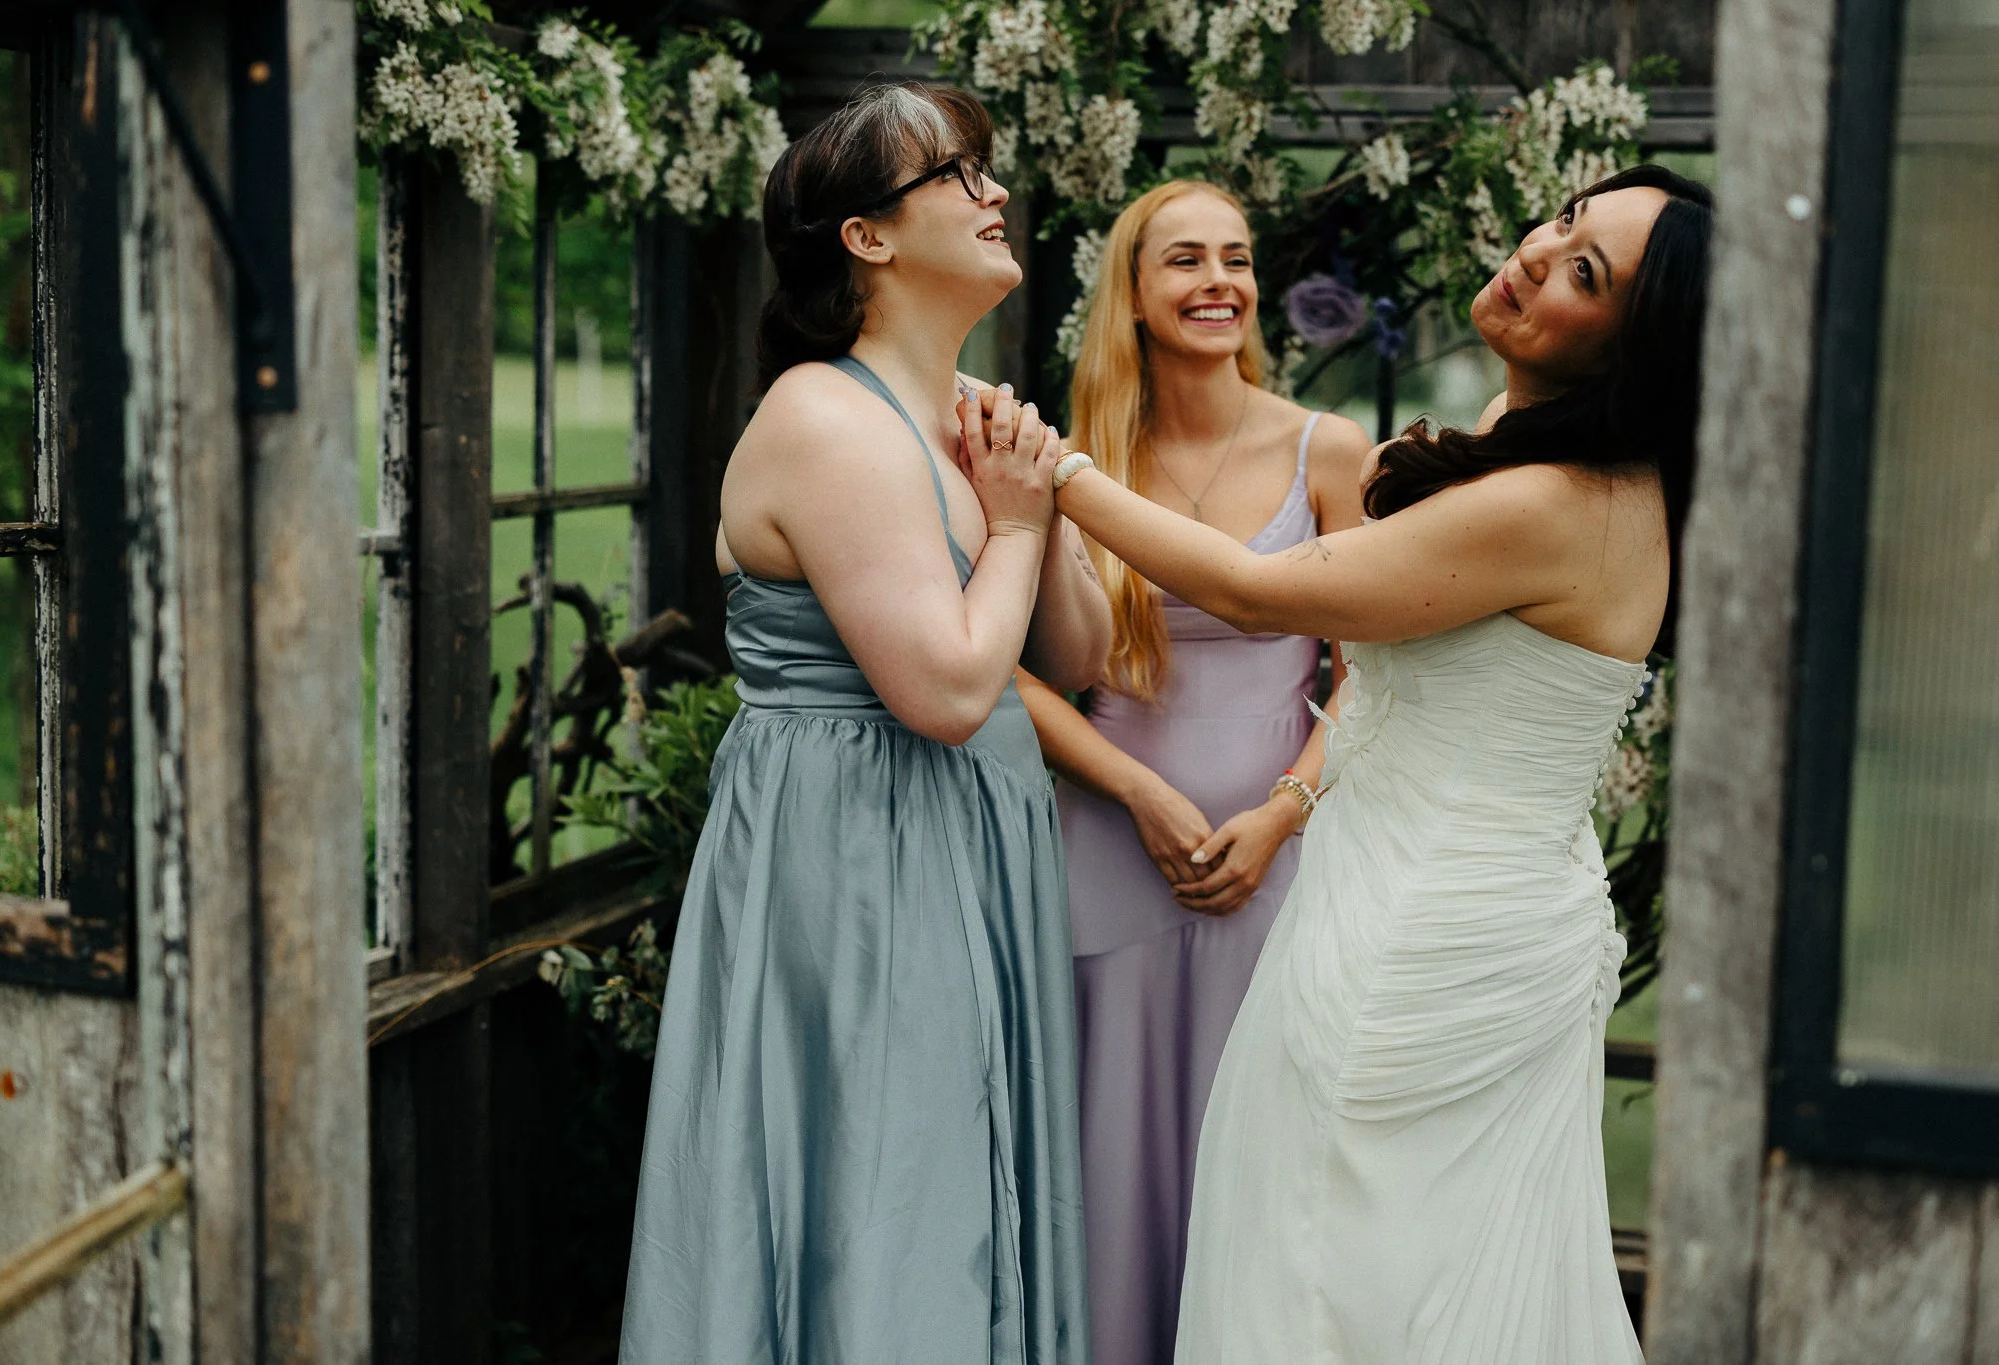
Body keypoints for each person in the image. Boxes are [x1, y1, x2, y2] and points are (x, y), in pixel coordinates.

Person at [1034, 165, 1713, 1363]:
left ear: (1630, 350)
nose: (1536, 255)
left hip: (1421, 943)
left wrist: (1054, 468)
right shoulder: (1519, 452)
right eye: (1560, 222)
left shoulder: (1560, 502)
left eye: (1585, 274)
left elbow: (1253, 593)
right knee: (1397, 1271)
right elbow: (1404, 691)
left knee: (1336, 1272)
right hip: (1424, 904)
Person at [619, 82, 1109, 1365]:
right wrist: (1009, 522)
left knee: (960, 1168)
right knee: (891, 1184)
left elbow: (1081, 654)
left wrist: (1030, 499)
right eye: (959, 174)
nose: (995, 192)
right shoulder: (823, 419)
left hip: (971, 846)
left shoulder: (966, 415)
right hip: (860, 857)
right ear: (867, 236)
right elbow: (948, 693)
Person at [1015, 180, 1370, 1365]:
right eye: (1183, 261)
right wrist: (1134, 789)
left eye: (1235, 257)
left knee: (1263, 1160)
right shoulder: (1067, 463)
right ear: (1131, 291)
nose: (1216, 280)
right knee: (1109, 1157)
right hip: (1109, 855)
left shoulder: (1330, 451)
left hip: (1275, 865)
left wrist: (1283, 814)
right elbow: (1018, 675)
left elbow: (1374, 676)